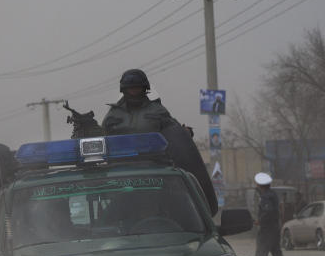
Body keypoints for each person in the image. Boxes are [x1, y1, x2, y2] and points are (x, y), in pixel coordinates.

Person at [70, 68, 218, 215]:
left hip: (155, 173)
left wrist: (184, 133)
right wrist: (89, 128)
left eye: (137, 87)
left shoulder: (158, 111)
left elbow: (174, 131)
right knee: (113, 215)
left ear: (144, 88)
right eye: (131, 88)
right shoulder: (113, 114)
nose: (134, 91)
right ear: (124, 89)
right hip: (120, 176)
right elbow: (103, 140)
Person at [254, 172, 292, 256]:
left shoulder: (266, 197)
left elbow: (268, 211)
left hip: (267, 230)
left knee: (261, 253)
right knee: (276, 252)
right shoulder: (273, 194)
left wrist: (259, 221)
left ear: (260, 185)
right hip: (275, 228)